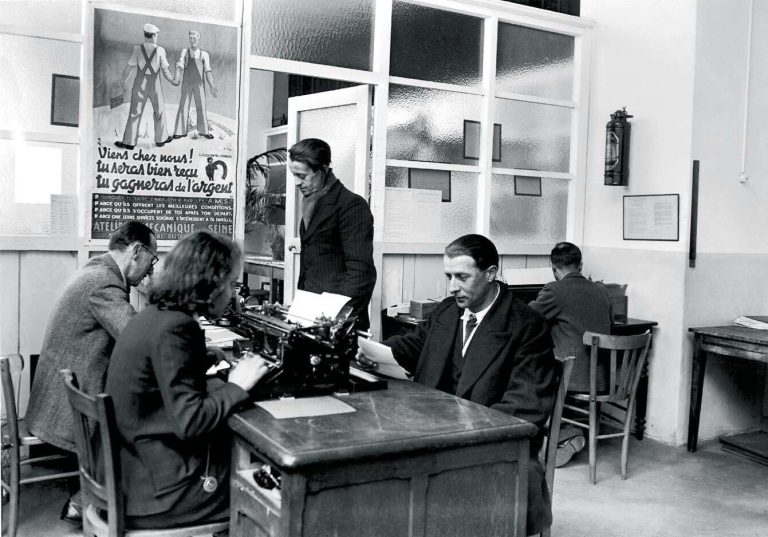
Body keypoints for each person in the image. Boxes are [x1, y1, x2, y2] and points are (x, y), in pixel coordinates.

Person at [359, 234, 558, 536]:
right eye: (449, 276)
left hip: (492, 442)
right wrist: (365, 349)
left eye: (462, 276)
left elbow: (524, 407)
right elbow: (413, 345)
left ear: (491, 274)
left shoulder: (527, 325)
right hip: (436, 430)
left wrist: (456, 433)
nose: (452, 286)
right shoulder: (448, 311)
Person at [105, 230, 270, 528]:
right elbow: (190, 421)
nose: (232, 293)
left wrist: (201, 357)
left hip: (129, 472)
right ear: (211, 283)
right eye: (231, 284)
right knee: (262, 490)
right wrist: (237, 385)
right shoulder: (177, 327)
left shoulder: (154, 315)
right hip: (158, 493)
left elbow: (160, 375)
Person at [25, 221, 158, 526]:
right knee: (142, 413)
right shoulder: (105, 282)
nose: (150, 270)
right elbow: (134, 337)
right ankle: (93, 499)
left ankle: (88, 496)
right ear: (136, 251)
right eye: (152, 260)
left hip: (58, 395)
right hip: (63, 410)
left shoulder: (97, 270)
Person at [528, 241, 613, 467]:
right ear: (581, 265)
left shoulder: (554, 290)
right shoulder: (602, 292)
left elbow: (528, 318)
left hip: (573, 379)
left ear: (553, 268)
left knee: (530, 373)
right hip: (604, 378)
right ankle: (570, 430)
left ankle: (566, 433)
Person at [289, 138, 376, 329]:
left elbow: (361, 271)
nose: (296, 182)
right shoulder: (312, 203)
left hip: (336, 322)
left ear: (323, 169)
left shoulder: (351, 205)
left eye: (302, 176)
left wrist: (338, 318)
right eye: (293, 175)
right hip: (310, 314)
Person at [115, 23, 177, 151]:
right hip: (155, 84)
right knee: (159, 111)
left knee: (134, 112)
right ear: (153, 35)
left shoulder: (137, 49)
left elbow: (129, 67)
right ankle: (161, 140)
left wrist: (123, 80)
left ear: (145, 35)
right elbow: (165, 70)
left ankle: (129, 142)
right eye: (156, 35)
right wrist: (173, 80)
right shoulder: (160, 50)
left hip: (140, 83)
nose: (157, 37)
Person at [172, 30, 218, 140]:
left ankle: (203, 131)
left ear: (199, 38)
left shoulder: (204, 54)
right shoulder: (185, 52)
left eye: (194, 38)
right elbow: (180, 66)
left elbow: (208, 71)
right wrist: (177, 78)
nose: (192, 40)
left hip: (199, 84)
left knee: (201, 106)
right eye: (190, 38)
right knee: (183, 105)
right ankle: (179, 131)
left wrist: (211, 86)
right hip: (187, 83)